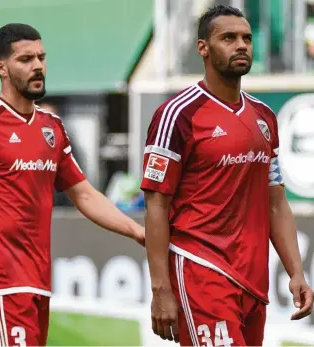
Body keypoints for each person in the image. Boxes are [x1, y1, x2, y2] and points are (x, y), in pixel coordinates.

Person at [0, 23, 145, 347]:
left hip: (38, 283)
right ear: (1, 68)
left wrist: (138, 231)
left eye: (41, 57)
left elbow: (84, 194)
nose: (38, 66)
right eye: (26, 59)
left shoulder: (52, 127)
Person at [140, 5, 313, 346]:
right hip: (201, 272)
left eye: (247, 38)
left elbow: (276, 203)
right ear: (203, 47)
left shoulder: (264, 117)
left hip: (253, 281)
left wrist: (296, 272)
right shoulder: (177, 115)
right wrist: (160, 289)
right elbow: (156, 206)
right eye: (228, 38)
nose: (241, 45)